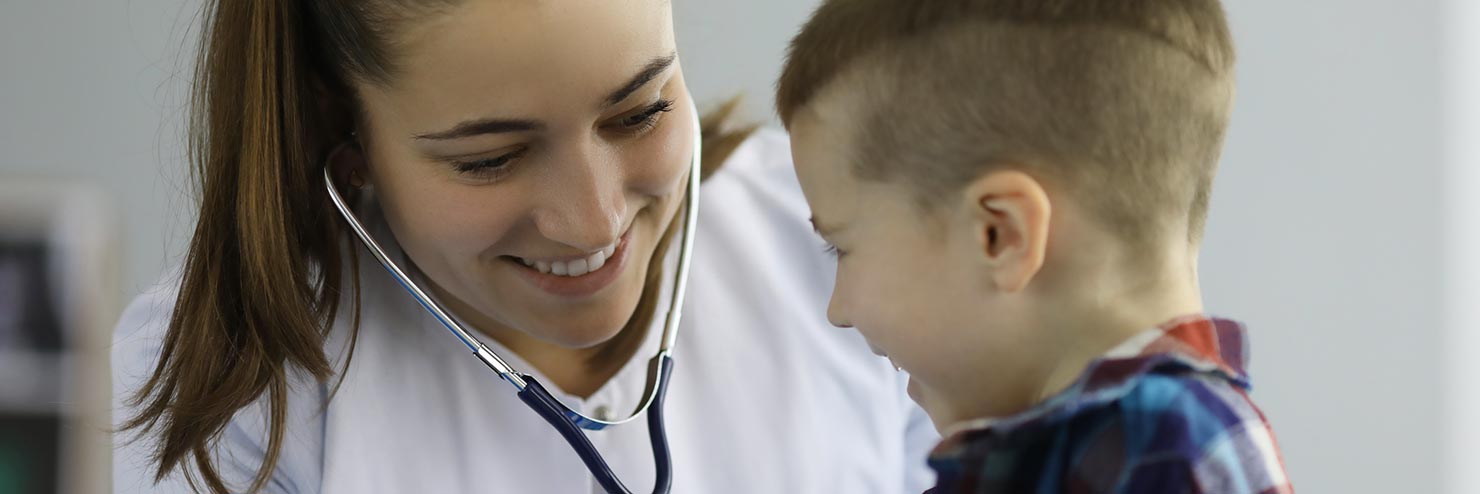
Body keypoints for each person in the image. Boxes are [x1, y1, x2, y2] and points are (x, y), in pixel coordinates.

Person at [112, 1, 936, 492]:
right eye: (491, 159)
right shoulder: (237, 378)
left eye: (640, 111)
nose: (592, 221)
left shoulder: (848, 232)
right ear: (348, 133)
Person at [776, 0, 1293, 492]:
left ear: (999, 235)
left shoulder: (1166, 447)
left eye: (841, 247)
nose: (838, 310)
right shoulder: (1063, 453)